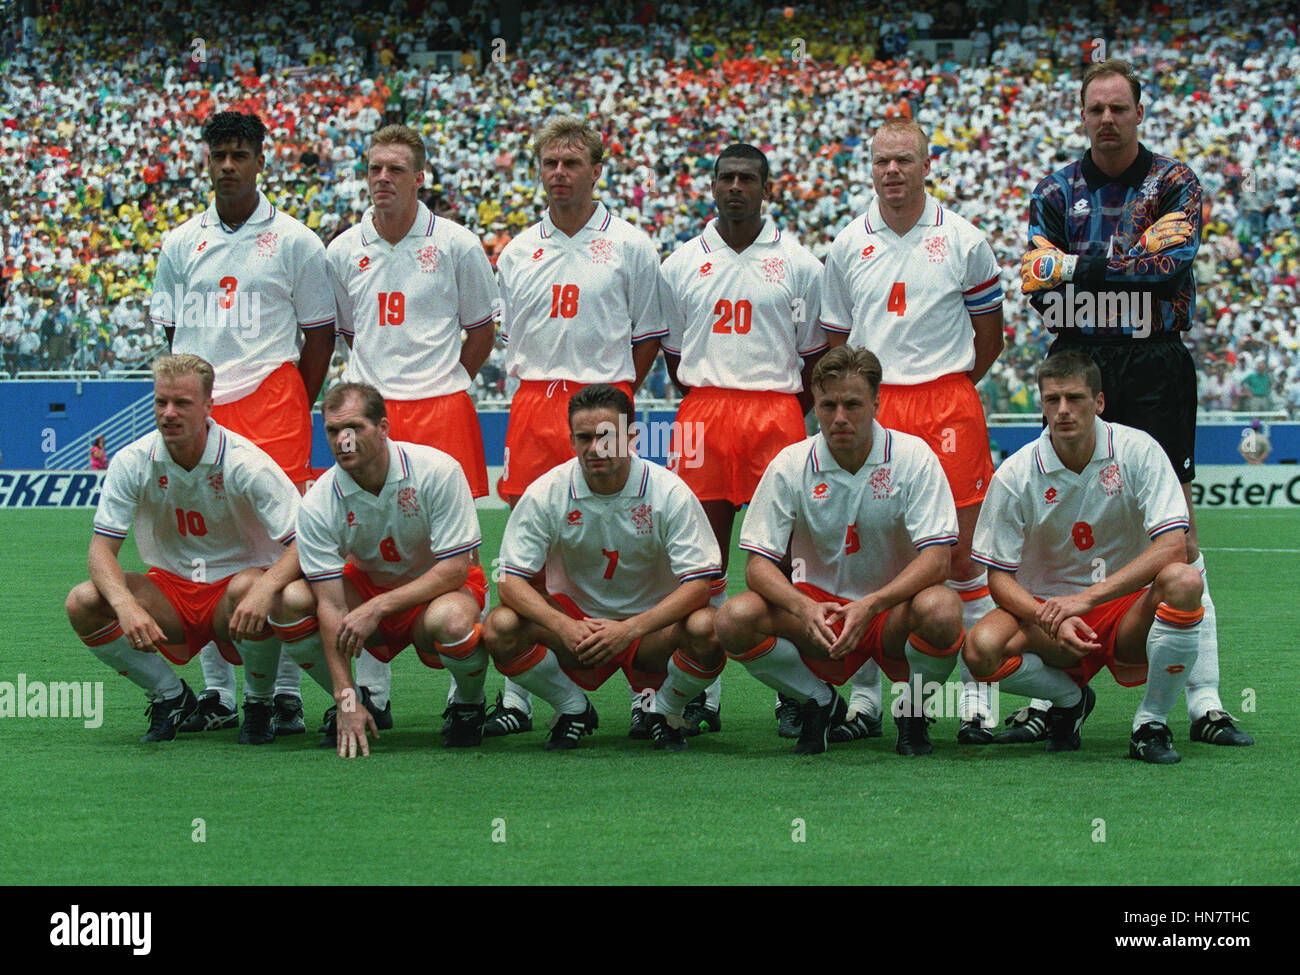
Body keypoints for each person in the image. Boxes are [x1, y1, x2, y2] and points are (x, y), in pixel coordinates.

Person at [1021, 58, 1252, 747]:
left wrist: (1078, 265)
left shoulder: (1175, 181)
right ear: (1082, 114)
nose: (1107, 119)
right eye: (1096, 109)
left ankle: (1206, 700)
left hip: (1154, 363)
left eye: (1119, 108)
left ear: (1137, 113)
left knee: (1178, 529)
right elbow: (1039, 285)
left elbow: (1170, 268)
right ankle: (1059, 696)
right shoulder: (1056, 189)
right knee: (1055, 514)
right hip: (1079, 360)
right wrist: (1125, 258)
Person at [149, 110, 335, 739]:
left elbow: (319, 335)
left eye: (239, 154)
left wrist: (293, 397)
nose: (227, 165)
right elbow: (173, 335)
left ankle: (283, 693)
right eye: (218, 154)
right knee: (202, 537)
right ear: (207, 159)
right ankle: (219, 693)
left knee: (273, 544)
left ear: (261, 160)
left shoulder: (296, 241)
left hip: (273, 399)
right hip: (203, 400)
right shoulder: (180, 241)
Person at [820, 117, 1004, 744]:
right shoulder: (847, 246)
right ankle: (870, 699)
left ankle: (980, 700)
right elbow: (835, 343)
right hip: (876, 404)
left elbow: (990, 338)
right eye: (881, 161)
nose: (892, 171)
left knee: (962, 555)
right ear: (869, 169)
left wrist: (946, 387)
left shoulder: (964, 240)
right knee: (877, 553)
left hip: (948, 402)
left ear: (928, 165)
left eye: (904, 159)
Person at [486, 115, 667, 736]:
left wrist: (612, 397)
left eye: (571, 163)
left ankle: (649, 693)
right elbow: (508, 338)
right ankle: (525, 695)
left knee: (633, 535)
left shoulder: (631, 246)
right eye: (549, 164)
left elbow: (647, 340)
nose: (558, 174)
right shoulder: (516, 250)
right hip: (534, 403)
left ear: (596, 170)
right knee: (525, 549)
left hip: (603, 398)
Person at [326, 123, 498, 731]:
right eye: (374, 168)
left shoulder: (455, 243)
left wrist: (447, 382)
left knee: (457, 548)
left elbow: (481, 330)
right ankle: (372, 690)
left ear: (420, 177)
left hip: (440, 405)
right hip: (371, 410)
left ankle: (464, 692)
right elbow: (349, 333)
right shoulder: (343, 249)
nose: (382, 179)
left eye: (396, 169)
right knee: (362, 540)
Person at [715, 346, 964, 756]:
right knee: (732, 619)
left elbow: (938, 559)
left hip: (890, 613)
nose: (839, 417)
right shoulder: (790, 463)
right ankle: (818, 701)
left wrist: (872, 604)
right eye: (828, 405)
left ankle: (914, 708)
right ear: (815, 404)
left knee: (942, 610)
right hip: (822, 616)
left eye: (852, 404)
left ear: (877, 402)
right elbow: (758, 567)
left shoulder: (914, 457)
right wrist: (802, 608)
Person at [659, 143, 829, 736]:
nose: (735, 187)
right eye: (726, 177)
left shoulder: (801, 263)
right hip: (702, 411)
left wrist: (782, 411)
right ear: (712, 186)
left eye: (747, 179)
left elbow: (814, 359)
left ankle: (793, 692)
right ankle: (699, 689)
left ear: (766, 188)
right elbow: (675, 352)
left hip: (775, 412)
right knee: (697, 563)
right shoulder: (680, 263)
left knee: (778, 564)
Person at [966, 351, 1207, 763]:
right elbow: (999, 579)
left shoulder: (1139, 450)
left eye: (1075, 398)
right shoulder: (1016, 473)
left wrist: (1088, 599)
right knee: (980, 650)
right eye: (1052, 400)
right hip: (1051, 615)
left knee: (1184, 582)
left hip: (1128, 613)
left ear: (1098, 402)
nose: (1063, 410)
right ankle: (1069, 700)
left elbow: (1174, 547)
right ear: (1041, 405)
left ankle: (1152, 721)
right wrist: (1048, 615)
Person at [64, 354, 303, 744]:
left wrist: (265, 588)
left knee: (252, 587)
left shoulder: (247, 463)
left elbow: (304, 544)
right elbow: (100, 550)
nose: (169, 413)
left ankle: (260, 705)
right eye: (161, 402)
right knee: (83, 602)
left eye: (182, 403)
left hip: (236, 595)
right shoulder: (133, 461)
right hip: (172, 592)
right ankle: (170, 696)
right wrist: (125, 605)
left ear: (209, 406)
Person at [483, 384, 722, 752]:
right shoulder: (546, 492)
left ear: (632, 437)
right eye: (584, 438)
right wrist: (565, 626)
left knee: (709, 629)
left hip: (649, 631)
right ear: (571, 439)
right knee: (500, 626)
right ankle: (572, 708)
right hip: (578, 629)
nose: (595, 448)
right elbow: (511, 583)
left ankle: (664, 709)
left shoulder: (669, 493)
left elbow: (699, 586)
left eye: (606, 437)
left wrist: (629, 630)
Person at [269, 382, 488, 757]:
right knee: (289, 599)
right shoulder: (319, 500)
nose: (344, 440)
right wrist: (345, 699)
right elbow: (330, 605)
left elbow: (455, 570)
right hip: (369, 588)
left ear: (384, 428)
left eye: (354, 428)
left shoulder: (437, 470)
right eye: (334, 431)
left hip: (438, 591)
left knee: (453, 621)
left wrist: (378, 607)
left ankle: (468, 705)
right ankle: (360, 704)